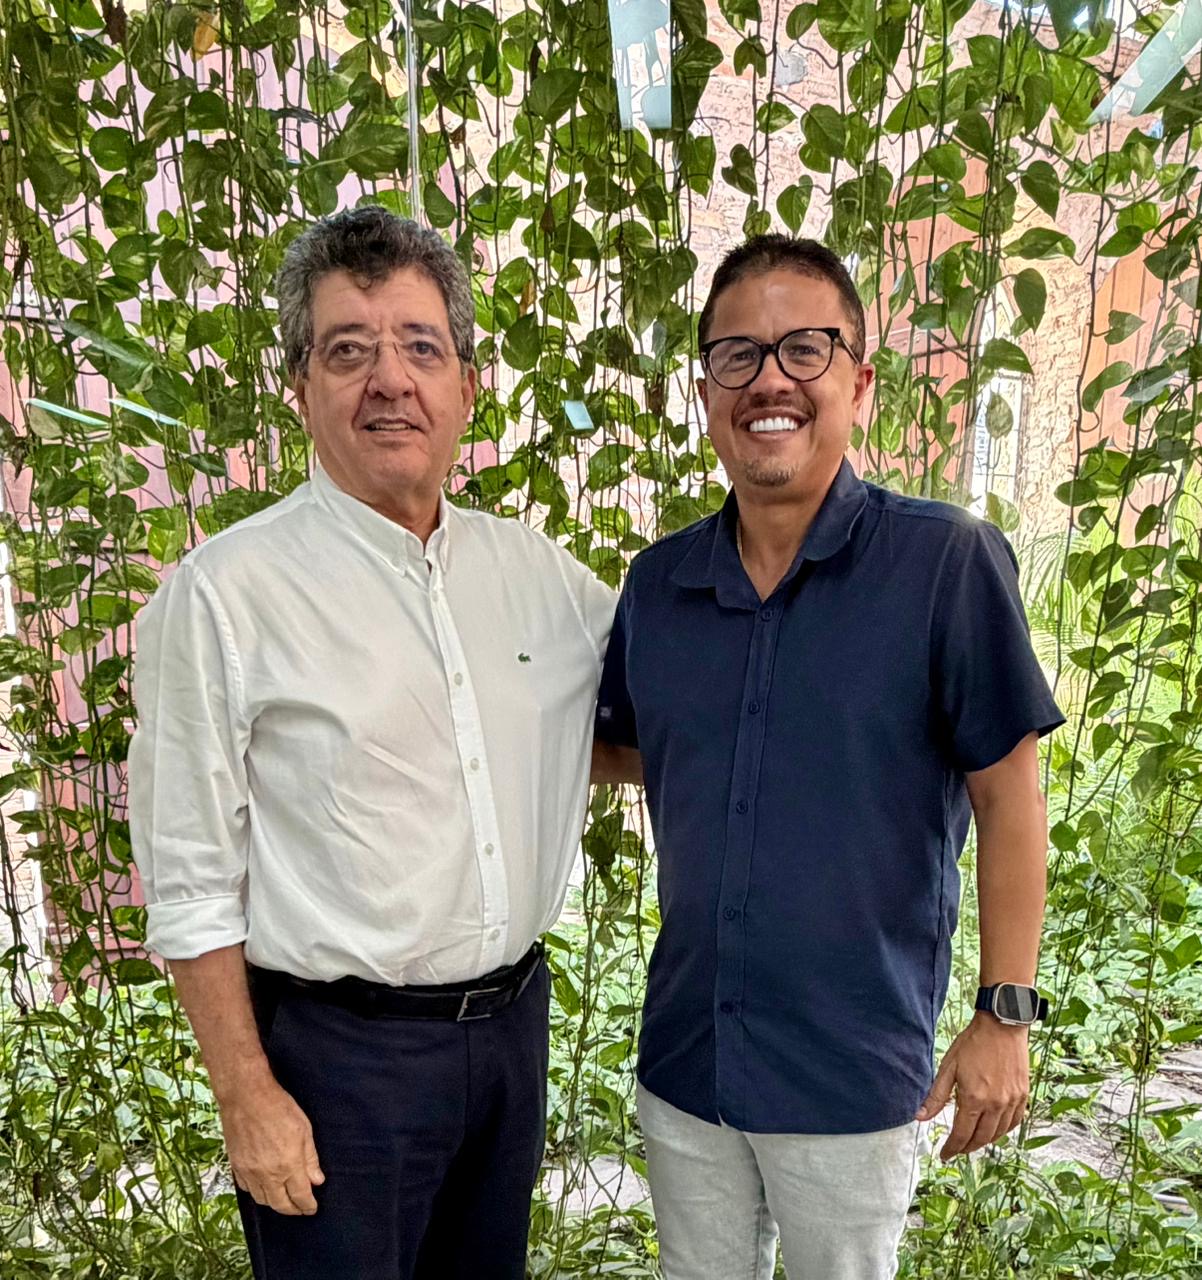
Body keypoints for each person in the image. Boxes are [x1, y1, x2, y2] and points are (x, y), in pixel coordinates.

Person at [128, 206, 616, 1279]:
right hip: (337, 1063)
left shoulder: (537, 576)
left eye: (420, 348)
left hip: (510, 1035)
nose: (390, 380)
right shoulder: (224, 597)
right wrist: (246, 1096)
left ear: (467, 387)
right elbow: (190, 875)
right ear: (299, 387)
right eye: (349, 350)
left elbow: (636, 726)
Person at [594, 235, 1064, 1279]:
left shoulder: (943, 563)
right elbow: (627, 750)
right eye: (737, 354)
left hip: (848, 1075)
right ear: (705, 392)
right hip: (689, 1062)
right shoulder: (659, 586)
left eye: (804, 349)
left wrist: (1004, 1014)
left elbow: (1009, 795)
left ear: (858, 381)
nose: (769, 379)